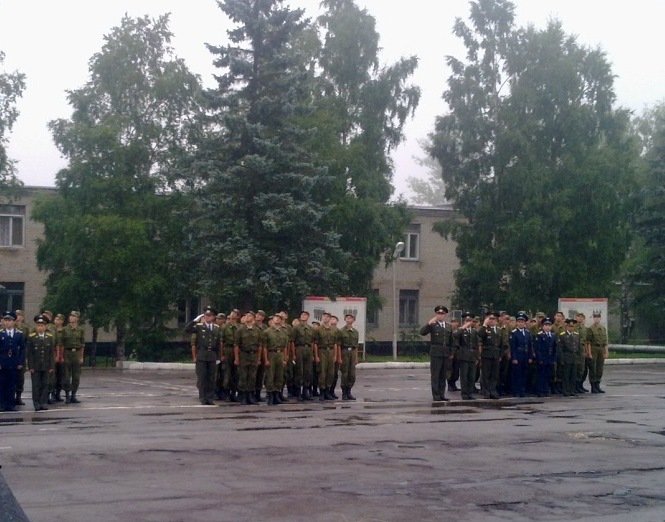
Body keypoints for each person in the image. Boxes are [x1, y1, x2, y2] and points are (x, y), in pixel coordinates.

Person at [185, 306, 222, 405]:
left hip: (212, 355)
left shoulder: (216, 328)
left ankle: (210, 398)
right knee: (202, 378)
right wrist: (195, 320)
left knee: (211, 378)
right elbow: (187, 329)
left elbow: (218, 344)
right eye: (206, 315)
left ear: (213, 317)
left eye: (209, 315)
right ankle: (202, 397)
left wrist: (218, 357)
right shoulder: (199, 326)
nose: (207, 317)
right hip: (202, 355)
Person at [419, 305, 453, 401]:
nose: (440, 315)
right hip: (436, 353)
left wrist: (451, 352)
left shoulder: (448, 326)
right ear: (436, 314)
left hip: (445, 353)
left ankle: (442, 394)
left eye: (442, 314)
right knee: (435, 375)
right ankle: (436, 395)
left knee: (443, 375)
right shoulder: (433, 325)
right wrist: (429, 323)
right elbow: (422, 332)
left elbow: (451, 341)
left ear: (445, 315)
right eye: (438, 313)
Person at [26, 314, 55, 411]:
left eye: (42, 325)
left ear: (45, 326)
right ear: (36, 326)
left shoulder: (49, 337)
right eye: (38, 325)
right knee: (36, 385)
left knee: (45, 384)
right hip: (36, 366)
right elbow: (29, 353)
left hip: (46, 366)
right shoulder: (32, 337)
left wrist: (51, 366)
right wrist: (30, 366)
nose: (40, 327)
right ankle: (36, 403)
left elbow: (51, 353)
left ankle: (43, 402)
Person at [234, 311, 263, 405]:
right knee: (243, 376)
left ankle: (250, 395)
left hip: (253, 355)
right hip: (244, 355)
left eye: (250, 316)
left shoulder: (257, 330)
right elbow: (236, 345)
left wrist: (258, 358)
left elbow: (259, 346)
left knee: (252, 376)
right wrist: (237, 358)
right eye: (246, 315)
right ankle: (243, 395)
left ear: (253, 319)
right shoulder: (240, 330)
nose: (247, 317)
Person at [261, 313, 289, 405]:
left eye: (279, 318)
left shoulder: (284, 332)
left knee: (279, 375)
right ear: (272, 320)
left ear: (281, 321)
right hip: (271, 353)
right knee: (270, 375)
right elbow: (264, 347)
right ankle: (270, 394)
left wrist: (285, 358)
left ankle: (277, 393)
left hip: (280, 354)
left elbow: (285, 347)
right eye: (275, 318)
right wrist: (266, 359)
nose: (277, 319)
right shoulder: (267, 332)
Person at [0, 311, 26, 411]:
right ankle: (2, 404)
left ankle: (11, 404)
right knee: (2, 383)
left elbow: (22, 349)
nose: (7, 323)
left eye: (9, 320)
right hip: (3, 361)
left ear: (14, 321)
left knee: (12, 384)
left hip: (14, 361)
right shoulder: (1, 334)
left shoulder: (19, 334)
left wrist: (20, 362)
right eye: (5, 320)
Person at [313, 312, 339, 401]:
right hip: (322, 351)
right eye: (324, 316)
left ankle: (328, 391)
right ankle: (322, 392)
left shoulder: (334, 330)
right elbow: (315, 344)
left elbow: (335, 344)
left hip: (331, 351)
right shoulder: (318, 329)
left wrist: (335, 355)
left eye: (328, 317)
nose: (325, 318)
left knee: (330, 373)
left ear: (330, 318)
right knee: (322, 372)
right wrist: (316, 356)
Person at [454, 312, 480, 400]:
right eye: (466, 320)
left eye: (470, 320)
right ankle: (464, 393)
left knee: (471, 376)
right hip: (464, 356)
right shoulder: (461, 330)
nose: (468, 322)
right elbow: (455, 335)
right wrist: (463, 327)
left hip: (472, 356)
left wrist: (477, 357)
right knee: (464, 376)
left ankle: (470, 393)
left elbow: (476, 345)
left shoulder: (474, 331)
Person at [62, 310, 85, 404]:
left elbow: (82, 344)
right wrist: (61, 356)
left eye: (74, 316)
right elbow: (61, 344)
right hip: (67, 353)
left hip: (77, 353)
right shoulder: (64, 329)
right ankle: (67, 395)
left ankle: (73, 395)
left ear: (77, 318)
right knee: (66, 377)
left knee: (76, 377)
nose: (72, 317)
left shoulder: (81, 329)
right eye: (71, 316)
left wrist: (81, 357)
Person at [478, 312, 502, 399]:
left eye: (494, 319)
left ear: (496, 320)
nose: (492, 321)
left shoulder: (499, 330)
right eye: (490, 319)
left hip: (496, 355)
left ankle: (493, 390)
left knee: (494, 374)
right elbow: (480, 335)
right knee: (486, 374)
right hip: (486, 355)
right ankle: (486, 391)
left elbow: (501, 344)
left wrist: (500, 355)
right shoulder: (485, 329)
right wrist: (484, 324)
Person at [293, 310, 315, 400]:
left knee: (308, 371)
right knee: (299, 371)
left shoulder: (310, 329)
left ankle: (305, 391)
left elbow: (312, 342)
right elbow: (292, 342)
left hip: (308, 349)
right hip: (299, 348)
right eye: (302, 315)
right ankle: (298, 392)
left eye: (305, 315)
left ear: (308, 317)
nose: (303, 316)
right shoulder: (296, 328)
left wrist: (313, 353)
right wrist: (294, 353)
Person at [510, 312, 533, 397]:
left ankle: (522, 390)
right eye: (519, 321)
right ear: (517, 323)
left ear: (525, 323)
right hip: (518, 355)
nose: (521, 323)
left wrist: (530, 356)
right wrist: (514, 358)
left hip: (525, 355)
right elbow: (513, 347)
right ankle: (516, 391)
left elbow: (530, 345)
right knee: (517, 374)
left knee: (524, 374)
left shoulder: (527, 333)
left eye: (522, 322)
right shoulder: (514, 333)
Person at [533, 317, 557, 397]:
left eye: (549, 325)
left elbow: (554, 348)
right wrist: (539, 359)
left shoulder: (553, 335)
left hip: (549, 358)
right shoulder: (539, 335)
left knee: (548, 375)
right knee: (541, 375)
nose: (547, 327)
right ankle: (540, 390)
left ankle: (546, 389)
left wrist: (553, 358)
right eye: (546, 325)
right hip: (542, 358)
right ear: (543, 326)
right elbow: (538, 349)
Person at [338, 313, 360, 401]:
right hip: (344, 351)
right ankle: (344, 393)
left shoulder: (355, 332)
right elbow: (339, 345)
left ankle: (349, 391)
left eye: (350, 318)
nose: (348, 319)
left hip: (353, 352)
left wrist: (356, 357)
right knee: (345, 373)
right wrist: (339, 357)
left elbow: (356, 346)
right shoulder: (341, 331)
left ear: (353, 320)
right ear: (345, 319)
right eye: (347, 318)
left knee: (352, 374)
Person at [587, 311, 609, 393]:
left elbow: (605, 342)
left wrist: (606, 352)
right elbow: (588, 342)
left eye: (598, 317)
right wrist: (589, 353)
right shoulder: (590, 329)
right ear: (593, 318)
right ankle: (593, 386)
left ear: (600, 318)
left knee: (600, 368)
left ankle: (598, 385)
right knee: (593, 368)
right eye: (595, 317)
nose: (597, 319)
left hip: (601, 349)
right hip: (594, 348)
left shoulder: (603, 328)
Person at [221, 309, 241, 402]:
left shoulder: (240, 327)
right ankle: (226, 393)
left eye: (235, 314)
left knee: (236, 374)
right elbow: (221, 342)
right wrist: (222, 354)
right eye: (231, 313)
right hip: (228, 349)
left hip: (237, 351)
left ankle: (234, 393)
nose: (232, 315)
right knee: (227, 373)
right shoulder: (225, 327)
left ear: (238, 316)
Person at [558, 318, 581, 396]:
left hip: (574, 357)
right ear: (566, 327)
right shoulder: (562, 335)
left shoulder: (576, 335)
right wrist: (562, 359)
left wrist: (579, 358)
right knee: (566, 375)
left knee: (573, 375)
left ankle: (572, 390)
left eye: (572, 326)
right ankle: (565, 390)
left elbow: (579, 347)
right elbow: (560, 349)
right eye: (569, 326)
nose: (571, 328)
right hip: (566, 357)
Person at [13, 309, 29, 405]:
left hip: (21, 354)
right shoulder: (10, 327)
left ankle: (18, 396)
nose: (18, 317)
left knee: (20, 378)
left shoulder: (26, 328)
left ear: (23, 317)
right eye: (17, 315)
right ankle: (11, 396)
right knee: (11, 377)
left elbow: (27, 341)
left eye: (20, 315)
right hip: (12, 355)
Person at [574, 312, 591, 393]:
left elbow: (587, 341)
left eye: (582, 317)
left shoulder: (585, 329)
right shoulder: (573, 327)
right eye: (578, 317)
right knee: (575, 368)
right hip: (575, 349)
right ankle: (575, 386)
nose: (580, 318)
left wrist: (587, 352)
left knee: (582, 368)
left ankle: (580, 385)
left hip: (582, 349)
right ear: (576, 318)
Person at [214, 312, 227, 399]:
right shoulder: (215, 328)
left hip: (225, 353)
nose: (220, 320)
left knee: (223, 374)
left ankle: (222, 391)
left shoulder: (226, 328)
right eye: (218, 319)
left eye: (222, 319)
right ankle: (214, 391)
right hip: (215, 354)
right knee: (215, 374)